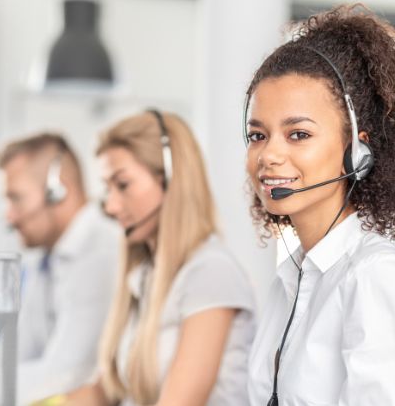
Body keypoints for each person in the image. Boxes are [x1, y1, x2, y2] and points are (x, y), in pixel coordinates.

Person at [242, 4, 395, 405]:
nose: (268, 155)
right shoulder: (292, 278)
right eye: (258, 135)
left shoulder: (375, 278)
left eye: (298, 134)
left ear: (356, 150)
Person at [65, 110, 255, 406]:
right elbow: (103, 392)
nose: (111, 206)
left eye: (123, 185)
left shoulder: (211, 273)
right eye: (107, 189)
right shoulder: (146, 273)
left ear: (171, 179)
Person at [0, 133, 121, 405]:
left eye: (16, 198)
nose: (9, 215)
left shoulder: (101, 253)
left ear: (58, 190)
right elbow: (20, 354)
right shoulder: (43, 259)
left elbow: (66, 375)